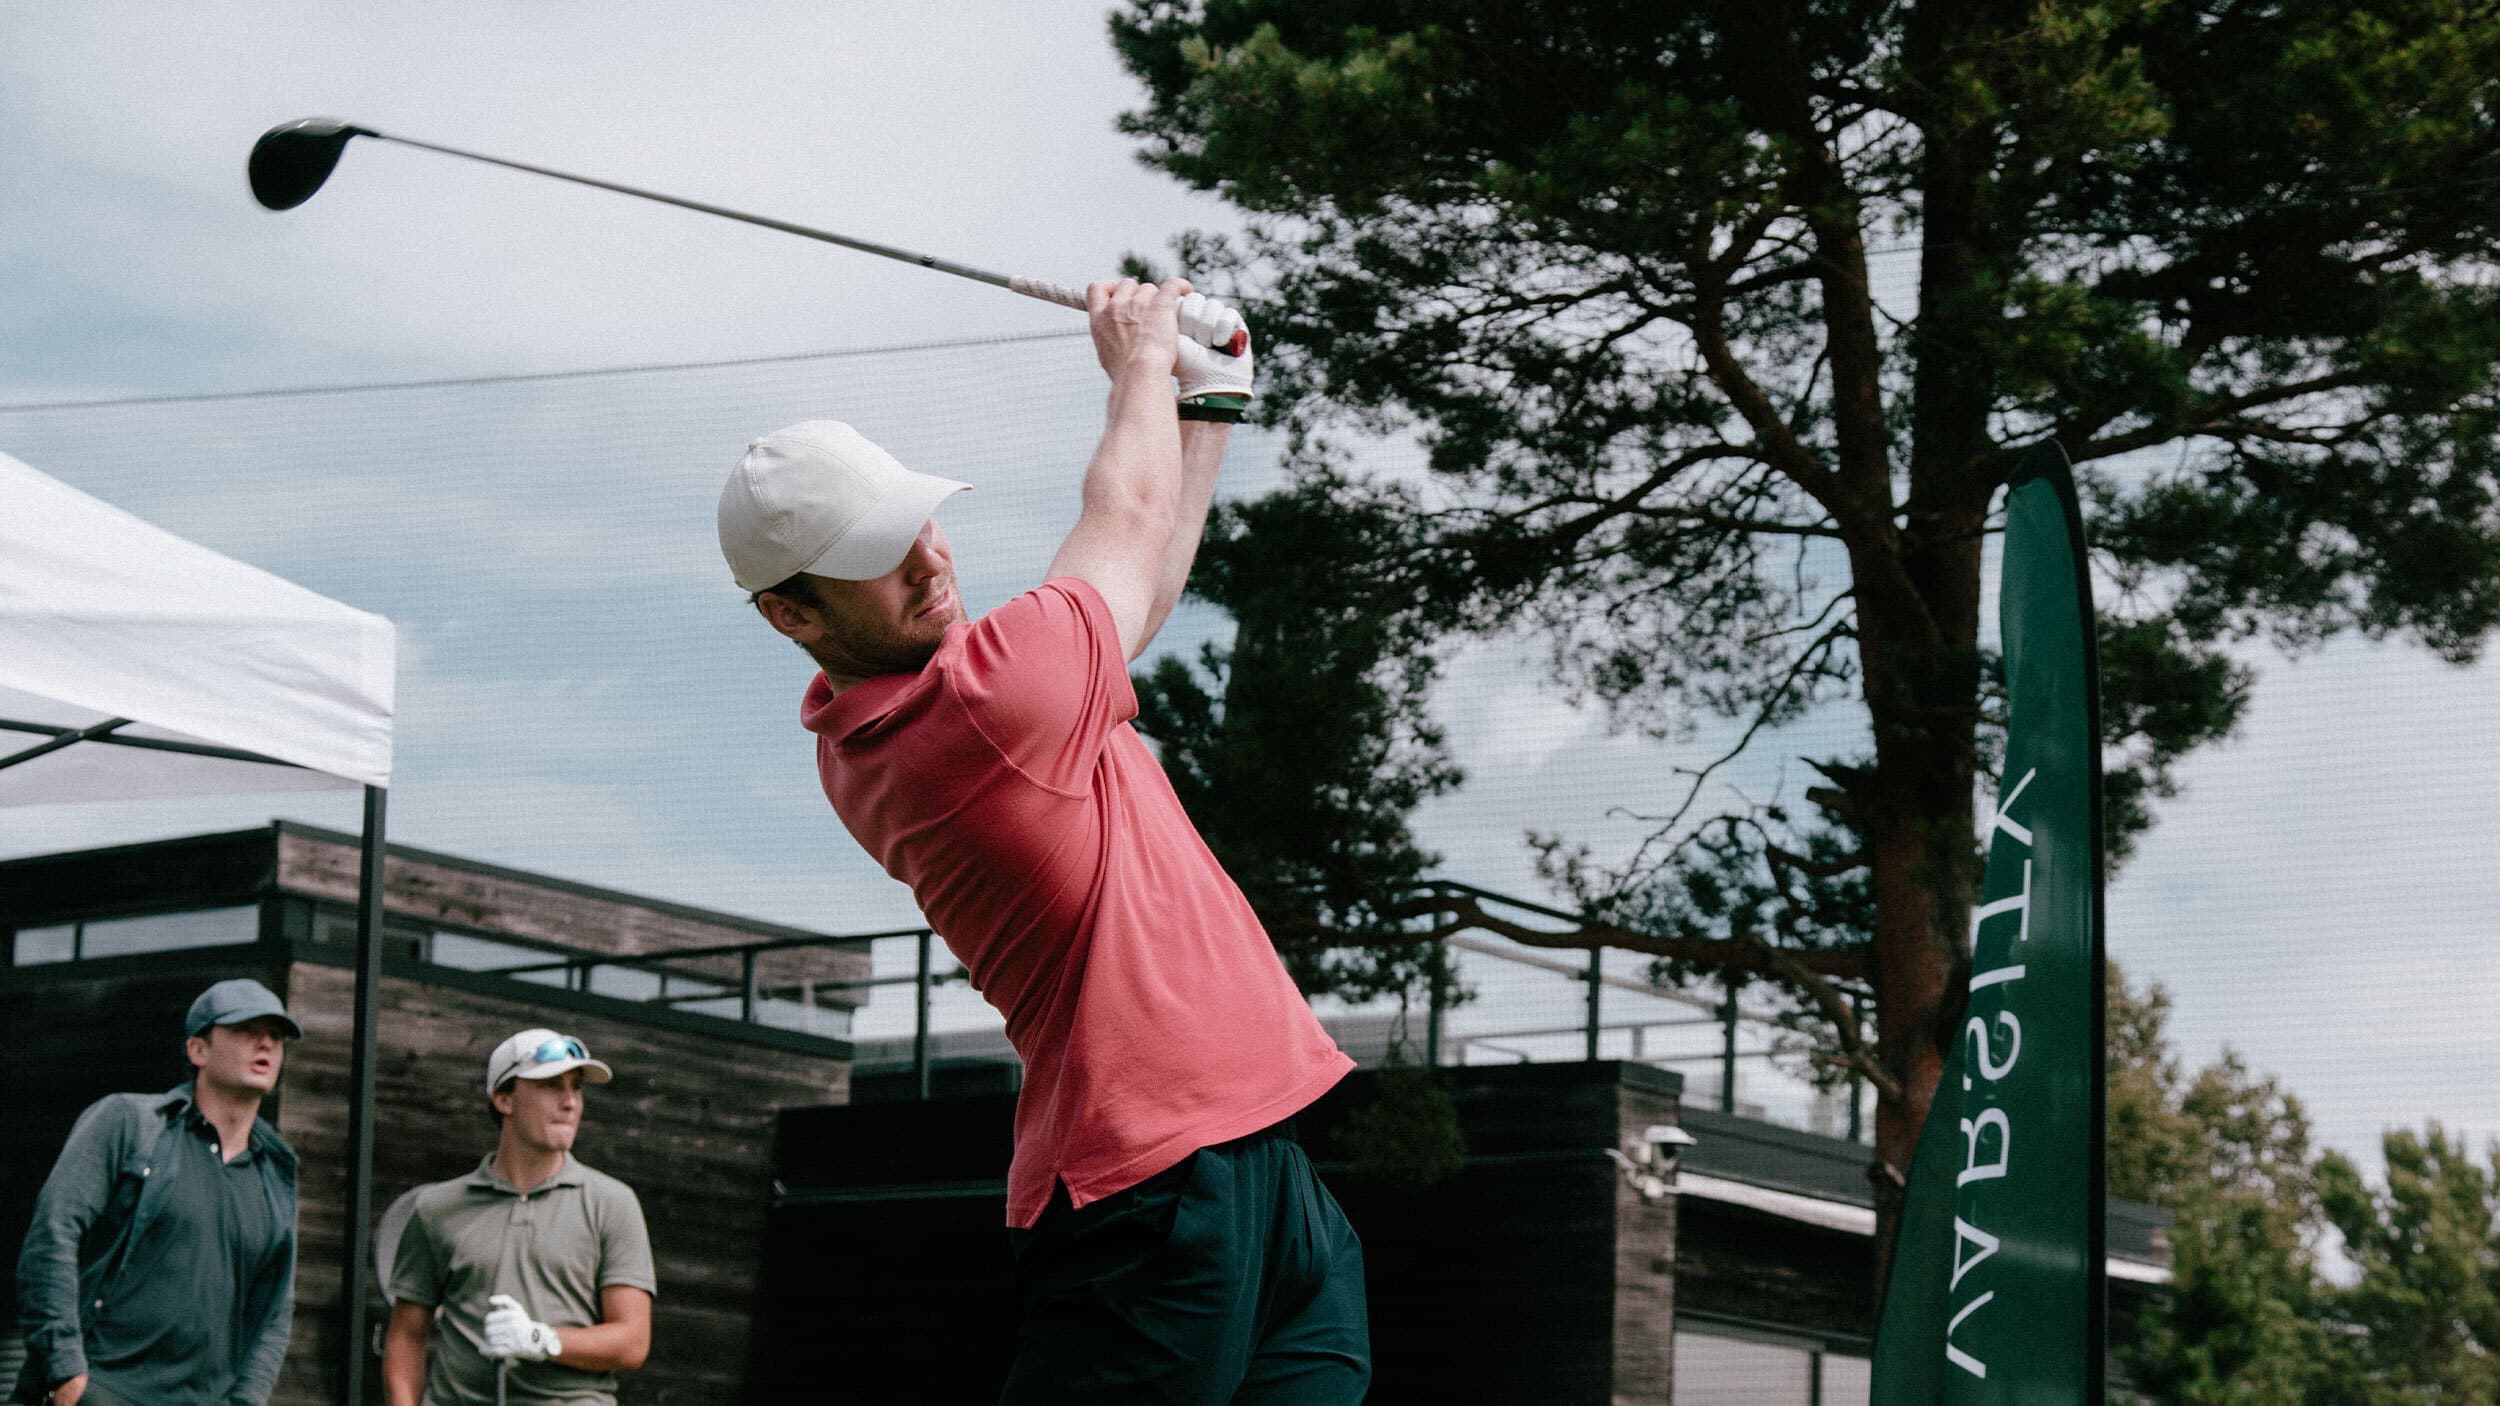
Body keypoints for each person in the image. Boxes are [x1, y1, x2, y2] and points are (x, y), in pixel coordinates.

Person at [719, 277, 1370, 1403]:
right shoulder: (974, 707)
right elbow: (1123, 520)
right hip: (1149, 1189)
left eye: (918, 517)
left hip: (1253, 1159)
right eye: (878, 552)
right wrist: (1137, 363)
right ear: (793, 614)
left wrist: (1203, 406)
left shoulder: (959, 700)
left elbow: (1138, 590)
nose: (928, 557)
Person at [12, 978, 301, 1406]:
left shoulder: (276, 1168)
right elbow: (52, 1234)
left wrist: (246, 1401)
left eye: (276, 1036)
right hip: (103, 1390)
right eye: (246, 1029)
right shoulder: (128, 1124)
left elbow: (274, 1308)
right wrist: (67, 1372)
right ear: (197, 1050)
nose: (265, 1043)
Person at [380, 1029, 654, 1406]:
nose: (570, 1101)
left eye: (576, 1087)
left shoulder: (612, 1203)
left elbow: (633, 1342)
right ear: (504, 1098)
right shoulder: (437, 1208)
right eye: (551, 1085)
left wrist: (542, 1339)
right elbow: (406, 1336)